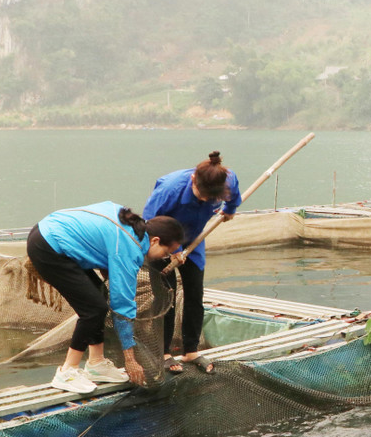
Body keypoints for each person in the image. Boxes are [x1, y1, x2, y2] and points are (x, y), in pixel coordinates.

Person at [26, 202, 185, 394]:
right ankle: (67, 372)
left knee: (99, 296)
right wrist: (130, 359)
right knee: (93, 309)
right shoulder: (129, 248)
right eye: (166, 252)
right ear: (155, 241)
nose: (164, 257)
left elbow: (104, 244)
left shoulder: (134, 228)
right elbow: (122, 308)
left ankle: (96, 363)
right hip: (48, 245)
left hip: (54, 231)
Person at [143, 151, 242, 372]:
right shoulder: (170, 190)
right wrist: (174, 249)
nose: (205, 200)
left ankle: (191, 351)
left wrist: (230, 210)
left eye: (211, 197)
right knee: (166, 297)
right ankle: (164, 353)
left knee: (195, 294)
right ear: (192, 180)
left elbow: (233, 195)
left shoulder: (226, 178)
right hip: (162, 244)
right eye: (201, 195)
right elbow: (150, 224)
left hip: (194, 241)